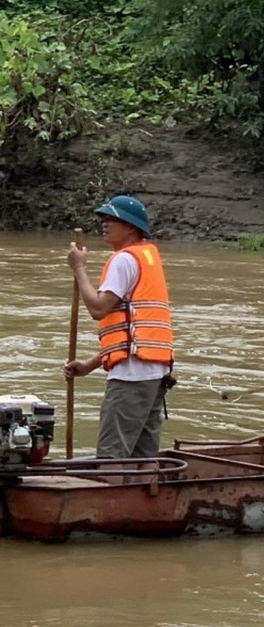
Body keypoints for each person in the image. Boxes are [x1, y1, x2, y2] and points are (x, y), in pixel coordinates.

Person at [63, 195, 175, 459]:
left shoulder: (124, 260)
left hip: (131, 377)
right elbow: (135, 331)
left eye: (113, 219)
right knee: (143, 457)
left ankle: (109, 497)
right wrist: (92, 363)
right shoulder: (148, 257)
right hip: (154, 373)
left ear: (132, 227)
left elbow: (99, 308)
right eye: (103, 218)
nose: (105, 224)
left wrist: (79, 268)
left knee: (112, 457)